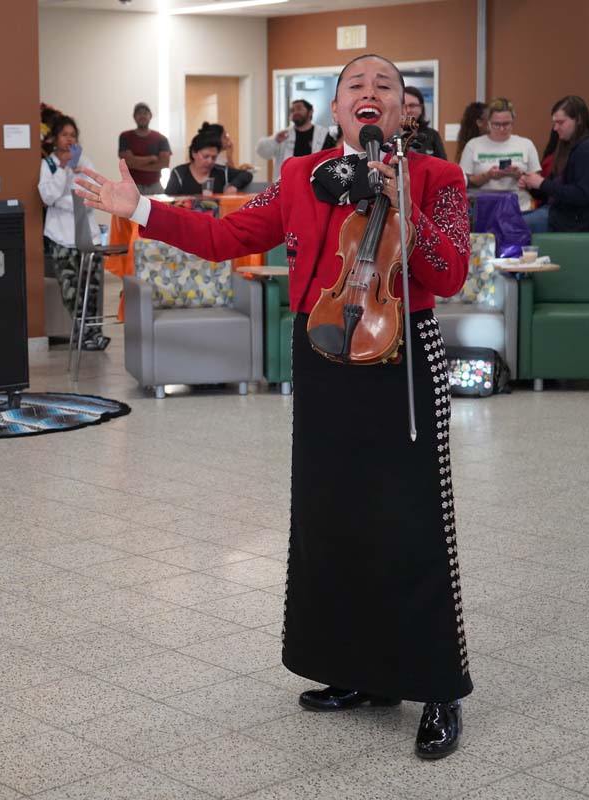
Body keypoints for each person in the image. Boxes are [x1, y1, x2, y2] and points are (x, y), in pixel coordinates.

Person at [77, 53, 472, 761]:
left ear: (405, 108)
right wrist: (136, 208)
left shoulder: (438, 178)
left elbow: (449, 272)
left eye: (386, 85)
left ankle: (437, 685)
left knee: (413, 523)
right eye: (357, 85)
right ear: (337, 107)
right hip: (322, 352)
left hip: (405, 358)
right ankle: (359, 673)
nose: (371, 93)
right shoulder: (296, 176)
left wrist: (402, 201)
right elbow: (226, 239)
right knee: (333, 521)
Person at [39, 116, 108, 351]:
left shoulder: (85, 161)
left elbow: (95, 194)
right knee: (70, 289)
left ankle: (94, 333)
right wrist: (62, 169)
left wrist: (68, 197)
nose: (70, 139)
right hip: (60, 236)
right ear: (55, 139)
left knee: (93, 286)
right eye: (65, 135)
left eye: (73, 135)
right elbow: (47, 197)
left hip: (87, 234)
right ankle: (83, 332)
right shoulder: (48, 165)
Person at [519, 96, 589, 233]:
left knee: (511, 227)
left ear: (579, 120)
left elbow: (582, 195)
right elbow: (554, 192)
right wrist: (531, 185)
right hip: (561, 214)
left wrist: (542, 183)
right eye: (554, 123)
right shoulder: (571, 147)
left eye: (560, 122)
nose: (555, 128)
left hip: (574, 220)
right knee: (510, 220)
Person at [459, 98, 542, 213]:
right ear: (488, 122)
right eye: (496, 124)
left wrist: (519, 175)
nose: (502, 128)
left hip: (520, 209)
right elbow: (464, 182)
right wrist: (487, 175)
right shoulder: (473, 145)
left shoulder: (526, 144)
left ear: (513, 121)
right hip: (484, 210)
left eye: (506, 124)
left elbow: (537, 183)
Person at [256, 99, 331, 179]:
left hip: (313, 184)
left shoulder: (324, 134)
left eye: (299, 108)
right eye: (292, 110)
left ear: (310, 112)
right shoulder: (283, 135)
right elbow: (262, 152)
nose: (295, 112)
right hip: (288, 183)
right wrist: (275, 141)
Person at [164, 131, 253, 195]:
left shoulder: (221, 171)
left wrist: (233, 186)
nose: (210, 161)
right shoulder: (179, 173)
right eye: (205, 156)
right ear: (194, 153)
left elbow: (246, 175)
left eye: (214, 157)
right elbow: (168, 199)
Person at [118, 103, 172, 195]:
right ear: (134, 117)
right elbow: (128, 162)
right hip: (132, 187)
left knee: (159, 209)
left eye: (145, 113)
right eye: (139, 113)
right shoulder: (125, 136)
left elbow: (164, 164)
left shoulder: (161, 138)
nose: (142, 116)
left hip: (156, 187)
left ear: (150, 116)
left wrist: (135, 163)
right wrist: (151, 158)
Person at [403, 87, 447, 160]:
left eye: (412, 105)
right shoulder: (391, 134)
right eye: (404, 106)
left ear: (421, 108)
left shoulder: (433, 135)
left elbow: (443, 164)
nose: (408, 110)